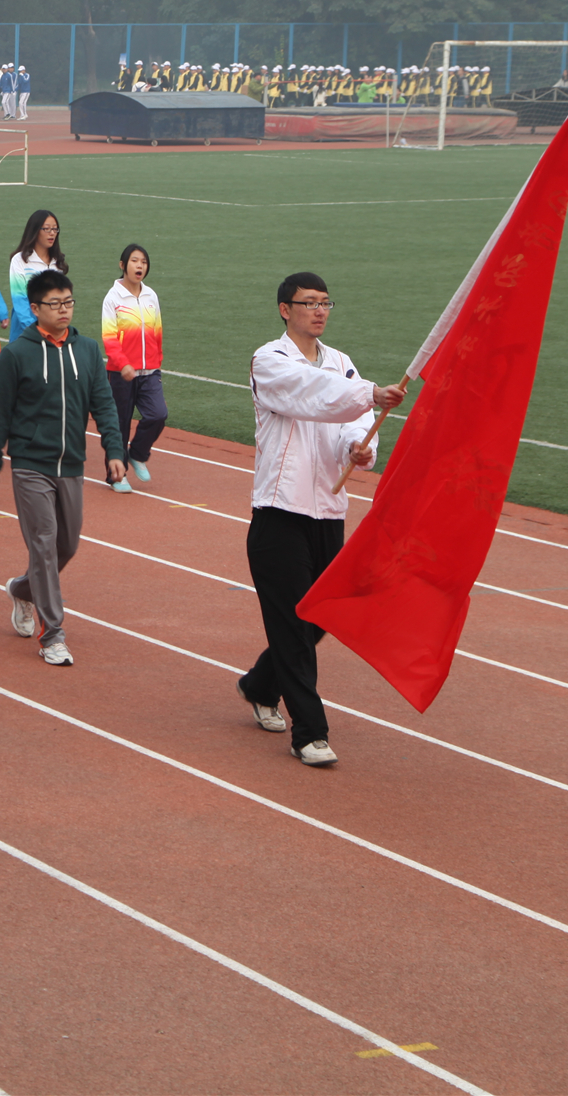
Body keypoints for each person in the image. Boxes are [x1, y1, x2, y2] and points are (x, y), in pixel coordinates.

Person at [241, 273, 405, 766]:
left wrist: (358, 448)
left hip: (328, 514)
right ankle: (309, 732)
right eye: (309, 303)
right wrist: (370, 393)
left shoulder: (341, 363)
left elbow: (352, 424)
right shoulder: (270, 360)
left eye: (325, 303)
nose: (319, 311)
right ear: (284, 309)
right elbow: (309, 394)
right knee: (293, 626)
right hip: (279, 513)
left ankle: (260, 684)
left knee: (320, 617)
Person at [0, 270, 127, 665]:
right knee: (44, 543)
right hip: (30, 464)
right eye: (55, 304)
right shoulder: (16, 354)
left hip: (71, 465)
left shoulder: (88, 351)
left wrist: (115, 450)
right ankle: (53, 635)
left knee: (67, 546)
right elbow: (0, 415)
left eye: (68, 302)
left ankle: (23, 589)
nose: (64, 310)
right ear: (35, 308)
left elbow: (104, 405)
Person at [102, 243, 167, 493]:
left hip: (150, 371)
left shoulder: (151, 296)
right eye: (134, 261)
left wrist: (157, 358)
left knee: (158, 414)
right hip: (121, 374)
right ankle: (116, 475)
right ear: (123, 265)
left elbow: (157, 330)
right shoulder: (113, 298)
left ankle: (137, 453)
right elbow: (109, 338)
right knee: (119, 424)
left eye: (144, 262)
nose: (140, 266)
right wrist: (123, 364)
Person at [6, 210, 66, 344]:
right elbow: (19, 298)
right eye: (47, 229)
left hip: (53, 331)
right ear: (34, 230)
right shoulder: (20, 260)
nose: (52, 233)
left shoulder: (57, 262)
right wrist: (36, 330)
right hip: (25, 332)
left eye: (55, 229)